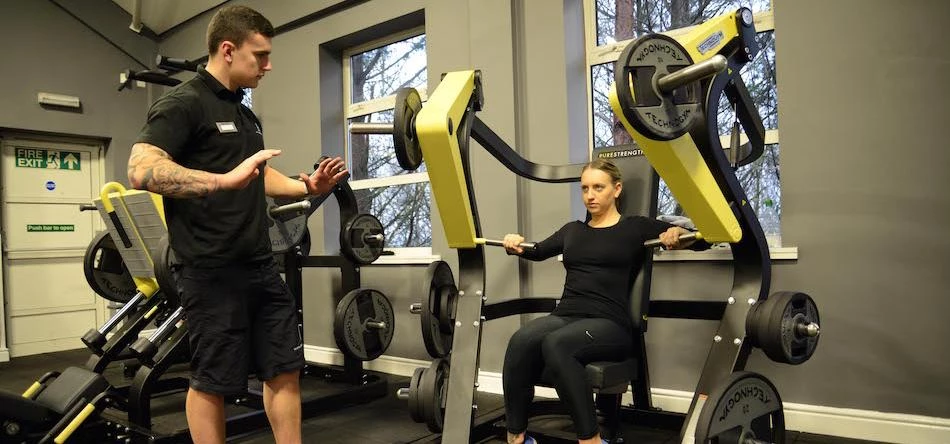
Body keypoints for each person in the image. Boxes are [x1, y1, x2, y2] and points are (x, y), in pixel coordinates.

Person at [126, 6, 347, 444]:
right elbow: (141, 168)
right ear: (228, 50)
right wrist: (222, 181)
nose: (268, 65)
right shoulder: (184, 103)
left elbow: (262, 178)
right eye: (259, 55)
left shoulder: (245, 115)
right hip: (209, 270)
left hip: (260, 266)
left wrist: (308, 186)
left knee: (284, 367)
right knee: (213, 380)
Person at [500, 158, 709, 444]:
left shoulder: (634, 228)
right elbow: (535, 250)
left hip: (610, 323)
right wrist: (514, 244)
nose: (590, 195)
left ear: (617, 189)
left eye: (598, 187)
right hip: (567, 315)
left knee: (557, 343)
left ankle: (591, 440)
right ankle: (517, 437)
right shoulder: (572, 230)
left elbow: (703, 239)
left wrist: (679, 233)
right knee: (520, 341)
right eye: (585, 188)